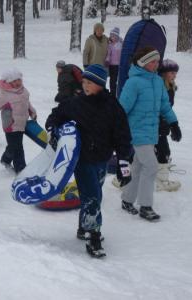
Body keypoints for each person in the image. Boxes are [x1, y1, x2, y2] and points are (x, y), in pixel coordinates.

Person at [45, 64, 132, 258]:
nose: (85, 86)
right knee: (93, 196)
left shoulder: (112, 106)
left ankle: (83, 227)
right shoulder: (76, 103)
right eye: (84, 82)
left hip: (102, 158)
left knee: (93, 194)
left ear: (101, 84)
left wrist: (124, 163)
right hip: (82, 159)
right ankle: (93, 234)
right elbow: (56, 115)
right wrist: (53, 129)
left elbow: (122, 136)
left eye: (90, 83)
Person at [119, 47, 182, 222]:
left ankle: (127, 199)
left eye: (157, 61)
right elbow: (121, 109)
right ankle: (146, 206)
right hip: (137, 132)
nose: (156, 64)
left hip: (151, 132)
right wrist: (117, 130)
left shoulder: (156, 81)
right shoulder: (134, 83)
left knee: (138, 168)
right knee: (151, 166)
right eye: (153, 61)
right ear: (143, 62)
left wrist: (174, 123)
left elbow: (164, 106)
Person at [0, 69, 37, 174]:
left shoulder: (23, 91)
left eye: (19, 80)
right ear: (8, 82)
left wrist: (32, 112)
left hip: (22, 123)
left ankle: (5, 159)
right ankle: (21, 169)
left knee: (13, 146)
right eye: (14, 81)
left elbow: (27, 103)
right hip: (11, 125)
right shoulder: (5, 96)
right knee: (18, 147)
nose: (18, 83)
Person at [155, 59, 181, 192]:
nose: (174, 75)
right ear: (164, 73)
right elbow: (160, 108)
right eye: (172, 72)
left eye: (175, 73)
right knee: (163, 151)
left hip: (163, 124)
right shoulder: (160, 87)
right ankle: (161, 181)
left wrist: (172, 124)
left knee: (160, 151)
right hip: (156, 125)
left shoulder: (170, 86)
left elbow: (168, 108)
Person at [105, 27, 122, 97]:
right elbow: (108, 53)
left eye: (114, 36)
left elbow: (123, 54)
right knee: (112, 80)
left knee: (119, 79)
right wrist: (107, 60)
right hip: (112, 65)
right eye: (111, 36)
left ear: (117, 36)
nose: (112, 37)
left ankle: (119, 92)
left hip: (119, 65)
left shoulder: (121, 44)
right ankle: (112, 94)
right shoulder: (110, 45)